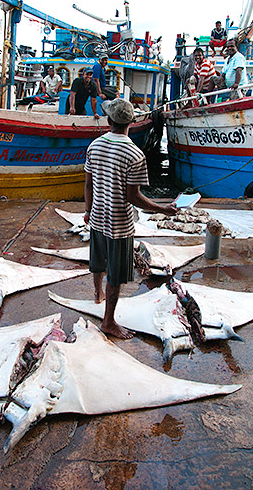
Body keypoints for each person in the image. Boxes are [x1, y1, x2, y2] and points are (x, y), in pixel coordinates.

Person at [84, 98, 177, 339]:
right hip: (119, 223)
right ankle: (108, 321)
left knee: (98, 260)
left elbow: (88, 184)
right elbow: (134, 197)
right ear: (131, 123)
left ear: (108, 120)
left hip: (97, 217)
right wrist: (162, 209)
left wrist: (87, 210)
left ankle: (97, 294)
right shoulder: (135, 154)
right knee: (115, 274)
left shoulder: (94, 145)